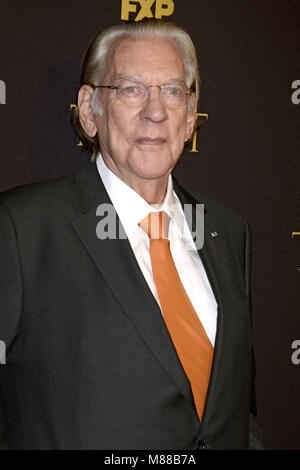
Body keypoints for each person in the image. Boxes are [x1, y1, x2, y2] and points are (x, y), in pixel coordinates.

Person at [0, 19, 263, 450]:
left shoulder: (228, 231)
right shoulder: (20, 228)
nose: (155, 111)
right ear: (89, 111)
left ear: (191, 113)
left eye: (173, 91)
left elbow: (237, 405)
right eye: (131, 89)